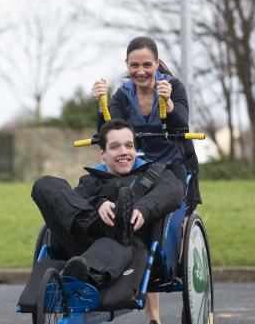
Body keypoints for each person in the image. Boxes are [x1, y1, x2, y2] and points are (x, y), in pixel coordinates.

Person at [91, 36, 201, 324]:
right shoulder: (123, 94)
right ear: (126, 65)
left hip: (173, 166)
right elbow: (110, 130)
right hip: (140, 168)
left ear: (156, 63)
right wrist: (100, 104)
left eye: (147, 65)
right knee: (143, 224)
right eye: (134, 65)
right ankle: (154, 318)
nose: (141, 71)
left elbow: (182, 126)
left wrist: (168, 103)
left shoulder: (172, 86)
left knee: (173, 223)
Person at [31, 119, 182, 288]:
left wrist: (141, 210)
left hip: (130, 247)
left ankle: (85, 270)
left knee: (117, 243)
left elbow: (172, 191)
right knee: (44, 184)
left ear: (135, 149)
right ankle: (105, 226)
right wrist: (98, 204)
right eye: (115, 146)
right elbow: (73, 204)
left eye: (129, 145)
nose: (124, 151)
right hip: (83, 241)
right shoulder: (90, 181)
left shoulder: (155, 174)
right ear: (102, 153)